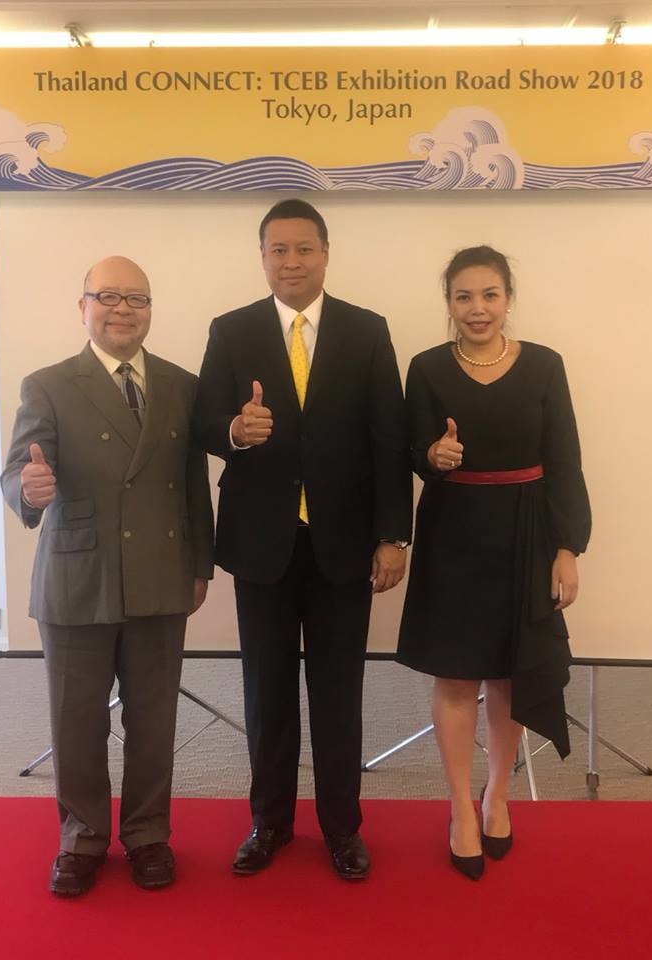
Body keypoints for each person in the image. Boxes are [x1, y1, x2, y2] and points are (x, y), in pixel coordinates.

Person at [192, 199, 412, 880]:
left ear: (325, 253)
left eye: (303, 249)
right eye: (278, 250)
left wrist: (394, 536)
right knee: (267, 692)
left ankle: (343, 829)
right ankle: (270, 824)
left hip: (344, 546)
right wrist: (234, 431)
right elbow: (202, 423)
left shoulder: (366, 330)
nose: (291, 262)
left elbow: (389, 438)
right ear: (262, 257)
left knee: (338, 693)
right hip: (262, 544)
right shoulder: (231, 330)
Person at [0, 256, 214, 897]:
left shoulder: (181, 384)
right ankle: (81, 838)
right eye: (109, 296)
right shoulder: (48, 384)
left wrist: (199, 563)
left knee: (154, 719)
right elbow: (17, 472)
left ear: (150, 309)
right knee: (77, 720)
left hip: (159, 573)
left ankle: (148, 835)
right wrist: (29, 490)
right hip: (77, 574)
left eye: (136, 299)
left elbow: (194, 485)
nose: (123, 309)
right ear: (83, 307)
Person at [397, 246, 591, 880]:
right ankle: (460, 807)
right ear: (448, 303)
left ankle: (497, 795)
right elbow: (411, 452)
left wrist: (567, 548)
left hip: (526, 534)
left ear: (507, 298)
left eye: (489, 295)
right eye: (463, 296)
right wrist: (434, 456)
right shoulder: (426, 367)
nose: (477, 308)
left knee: (510, 676)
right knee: (456, 678)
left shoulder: (544, 365)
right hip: (453, 533)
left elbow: (564, 459)